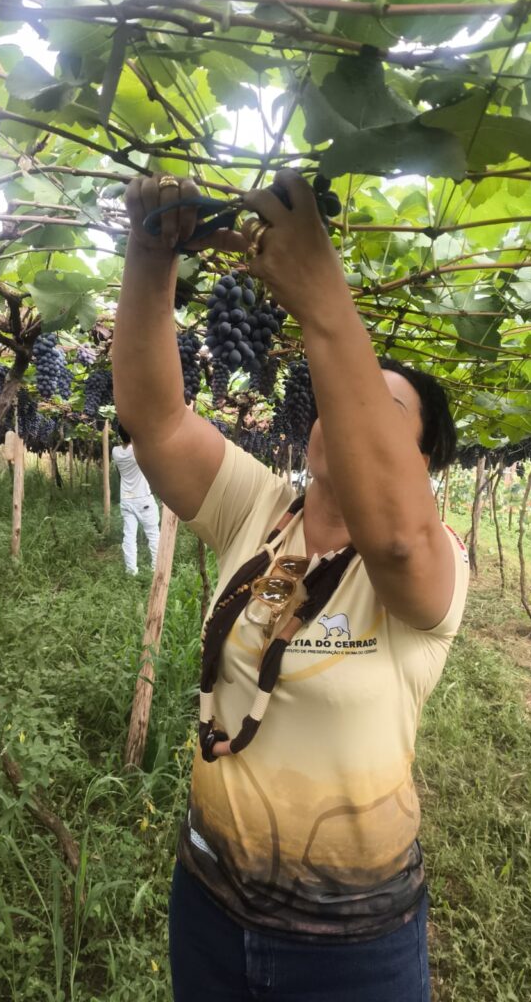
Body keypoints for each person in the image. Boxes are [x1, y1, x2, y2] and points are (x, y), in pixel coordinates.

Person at [112, 171, 469, 1002]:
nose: (342, 416)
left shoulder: (430, 561)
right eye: (340, 400)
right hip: (207, 903)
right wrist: (150, 256)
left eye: (379, 412)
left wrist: (325, 303)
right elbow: (156, 419)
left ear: (418, 467)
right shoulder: (263, 510)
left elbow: (398, 537)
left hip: (351, 949)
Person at [111, 423, 160, 575]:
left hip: (126, 499)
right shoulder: (138, 450)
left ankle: (131, 571)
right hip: (142, 499)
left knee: (129, 536)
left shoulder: (115, 452)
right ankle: (156, 568)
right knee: (153, 534)